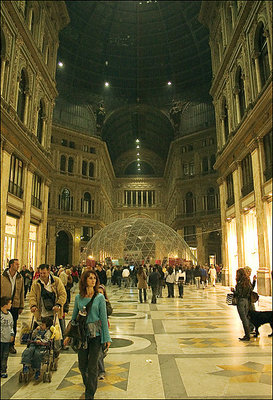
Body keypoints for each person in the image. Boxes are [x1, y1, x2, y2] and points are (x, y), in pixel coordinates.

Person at [63, 271, 111, 400]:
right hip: (82, 335)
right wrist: (68, 335)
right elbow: (74, 318)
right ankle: (88, 386)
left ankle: (89, 395)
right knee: (82, 365)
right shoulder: (79, 298)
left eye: (94, 278)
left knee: (92, 366)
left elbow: (103, 318)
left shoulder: (100, 298)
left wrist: (106, 338)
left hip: (95, 335)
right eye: (90, 278)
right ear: (84, 281)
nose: (93, 280)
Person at [1, 259, 24, 353]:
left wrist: (21, 305)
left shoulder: (20, 277)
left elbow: (22, 291)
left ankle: (11, 345)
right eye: (16, 264)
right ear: (11, 265)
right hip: (3, 305)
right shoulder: (3, 277)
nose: (18, 266)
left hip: (15, 304)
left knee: (13, 324)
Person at [231, 268, 253, 341]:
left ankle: (247, 335)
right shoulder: (247, 281)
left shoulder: (240, 283)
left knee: (243, 318)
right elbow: (251, 290)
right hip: (246, 301)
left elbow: (239, 294)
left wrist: (234, 291)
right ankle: (248, 333)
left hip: (241, 301)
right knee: (246, 317)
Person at [97, 284, 113, 380]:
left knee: (100, 350)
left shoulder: (106, 302)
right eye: (98, 293)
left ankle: (101, 370)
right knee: (98, 350)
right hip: (94, 327)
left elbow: (110, 311)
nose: (99, 294)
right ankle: (100, 370)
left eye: (101, 293)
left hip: (103, 327)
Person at [0, 296, 14, 378]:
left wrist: (12, 335)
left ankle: (3, 370)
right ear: (5, 305)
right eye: (10, 303)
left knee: (5, 355)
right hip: (1, 339)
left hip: (7, 339)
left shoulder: (10, 315)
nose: (11, 305)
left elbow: (11, 326)